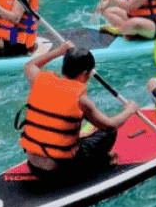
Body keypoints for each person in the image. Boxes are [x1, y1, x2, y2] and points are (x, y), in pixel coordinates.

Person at [19, 41, 138, 183]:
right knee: (109, 133)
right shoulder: (82, 101)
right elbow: (110, 125)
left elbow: (29, 65)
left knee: (81, 132)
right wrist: (129, 110)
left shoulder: (40, 80)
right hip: (59, 170)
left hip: (33, 165)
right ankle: (100, 162)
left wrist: (59, 50)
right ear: (85, 73)